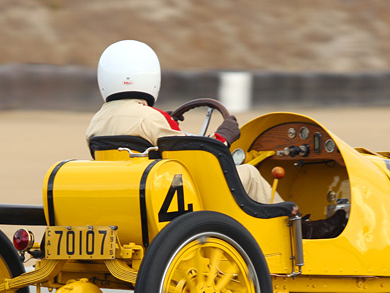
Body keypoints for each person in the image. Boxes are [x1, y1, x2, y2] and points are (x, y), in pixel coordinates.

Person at [86, 40, 345, 237]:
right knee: (249, 174)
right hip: (173, 197)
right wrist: (224, 136)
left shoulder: (96, 123)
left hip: (134, 201)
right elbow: (193, 156)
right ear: (152, 78)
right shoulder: (149, 117)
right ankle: (298, 232)